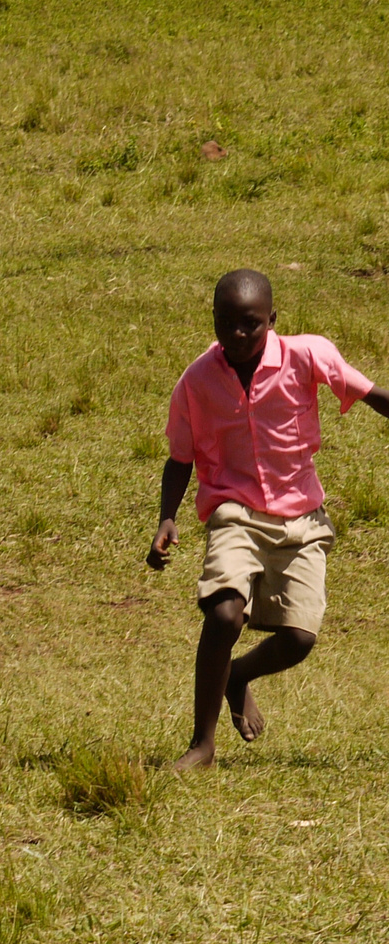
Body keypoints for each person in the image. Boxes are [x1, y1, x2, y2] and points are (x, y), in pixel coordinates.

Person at [148, 269, 389, 770]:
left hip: (302, 513)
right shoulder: (196, 380)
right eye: (226, 323)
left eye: (250, 324)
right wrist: (167, 518)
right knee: (223, 614)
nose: (237, 335)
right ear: (212, 320)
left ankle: (237, 677)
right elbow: (180, 457)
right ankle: (203, 745)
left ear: (272, 321)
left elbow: (368, 393)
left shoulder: (306, 354)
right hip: (233, 510)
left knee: (299, 638)